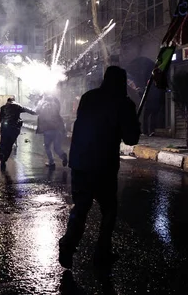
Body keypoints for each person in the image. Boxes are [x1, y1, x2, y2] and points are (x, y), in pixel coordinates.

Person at [58, 66, 140, 270]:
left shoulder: (88, 97)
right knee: (109, 209)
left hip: (80, 162)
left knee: (81, 207)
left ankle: (68, 245)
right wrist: (133, 120)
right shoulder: (124, 103)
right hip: (103, 166)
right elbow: (131, 138)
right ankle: (102, 252)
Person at [0, 97, 36, 169]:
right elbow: (29, 111)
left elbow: (1, 119)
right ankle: (4, 160)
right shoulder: (17, 106)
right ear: (13, 101)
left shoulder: (3, 108)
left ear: (7, 101)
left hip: (5, 128)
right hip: (14, 129)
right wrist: (37, 111)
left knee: (3, 143)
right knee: (9, 145)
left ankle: (1, 154)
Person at [36, 94, 68, 168]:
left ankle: (51, 162)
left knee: (47, 147)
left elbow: (37, 112)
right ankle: (63, 156)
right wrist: (63, 130)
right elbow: (59, 118)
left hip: (47, 130)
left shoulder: (43, 106)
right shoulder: (55, 106)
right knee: (57, 148)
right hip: (57, 130)